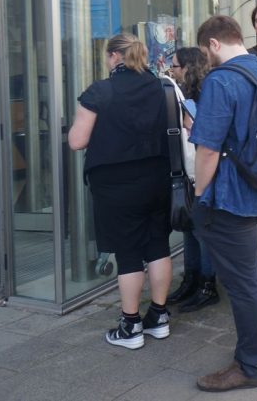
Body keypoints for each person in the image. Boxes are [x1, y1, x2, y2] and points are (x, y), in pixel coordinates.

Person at [188, 15, 257, 391]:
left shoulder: (221, 81)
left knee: (243, 284)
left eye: (204, 51)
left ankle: (250, 365)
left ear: (213, 44)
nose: (205, 59)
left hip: (231, 199)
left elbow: (208, 149)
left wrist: (198, 197)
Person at [68, 34, 173, 350]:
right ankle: (159, 317)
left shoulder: (100, 91)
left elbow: (76, 141)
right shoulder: (161, 87)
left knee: (128, 252)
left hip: (117, 184)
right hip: (159, 178)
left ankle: (131, 326)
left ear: (114, 56)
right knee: (157, 246)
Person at [166, 47, 221, 314]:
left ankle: (207, 285)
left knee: (202, 230)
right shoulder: (182, 91)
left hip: (204, 169)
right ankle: (192, 278)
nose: (171, 70)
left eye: (175, 66)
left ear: (188, 68)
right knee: (190, 226)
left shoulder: (206, 92)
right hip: (190, 168)